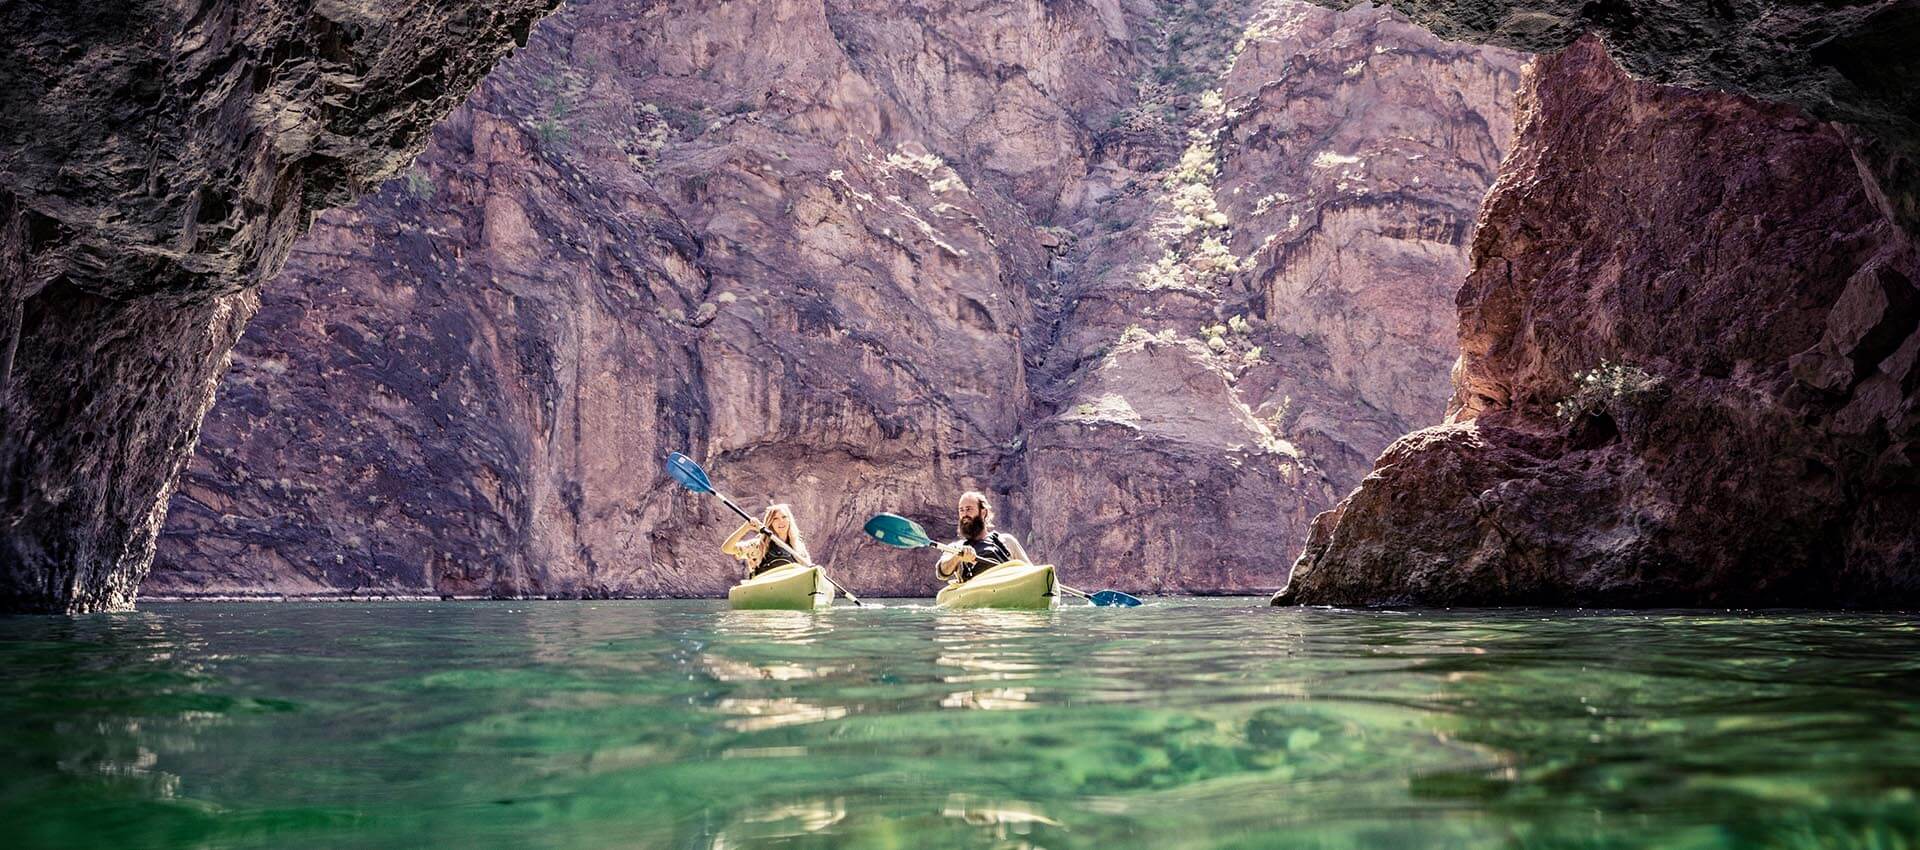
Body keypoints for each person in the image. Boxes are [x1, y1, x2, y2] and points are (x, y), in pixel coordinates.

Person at [936, 490, 1032, 583]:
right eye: (961, 510)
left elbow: (1030, 572)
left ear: (983, 513)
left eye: (969, 509)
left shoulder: (1007, 541)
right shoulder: (955, 548)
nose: (965, 514)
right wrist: (957, 557)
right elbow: (942, 573)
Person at [720, 504, 812, 577]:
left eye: (784, 517)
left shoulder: (798, 547)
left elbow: (810, 570)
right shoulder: (758, 546)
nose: (781, 521)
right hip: (766, 589)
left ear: (789, 520)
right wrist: (745, 528)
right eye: (775, 518)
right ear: (770, 523)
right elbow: (727, 548)